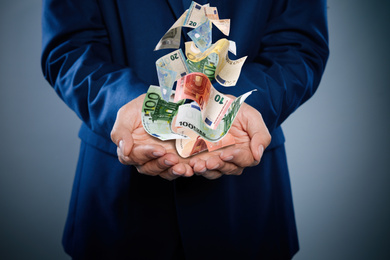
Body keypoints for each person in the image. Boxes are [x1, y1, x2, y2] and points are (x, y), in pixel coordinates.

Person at [41, 0, 329, 259]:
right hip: (118, 207)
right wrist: (125, 104)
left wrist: (232, 109)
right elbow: (69, 45)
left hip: (244, 209)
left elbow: (299, 45)